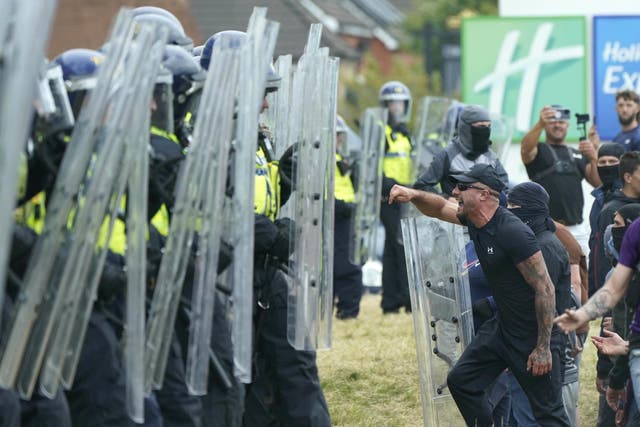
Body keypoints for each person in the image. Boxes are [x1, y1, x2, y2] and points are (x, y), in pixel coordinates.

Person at [389, 164, 570, 426]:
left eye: (462, 187)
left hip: (533, 335)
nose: (454, 191)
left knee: (547, 413)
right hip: (503, 326)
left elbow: (546, 289)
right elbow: (439, 208)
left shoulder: (513, 232)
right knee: (462, 381)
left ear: (484, 194)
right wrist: (414, 194)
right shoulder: (474, 220)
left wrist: (543, 348)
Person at [521, 104, 601, 254]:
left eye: (561, 122)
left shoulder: (576, 153)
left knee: (585, 274)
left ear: (568, 125)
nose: (557, 125)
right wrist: (539, 124)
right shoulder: (538, 150)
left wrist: (594, 156)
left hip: (577, 229)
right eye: (552, 121)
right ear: (545, 124)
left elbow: (597, 183)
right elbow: (525, 149)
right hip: (547, 229)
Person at [414, 104, 509, 196]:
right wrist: (444, 200)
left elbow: (505, 191)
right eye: (481, 127)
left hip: (483, 212)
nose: (486, 131)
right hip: (453, 211)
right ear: (466, 128)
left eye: (488, 126)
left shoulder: (491, 157)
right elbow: (421, 186)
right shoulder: (448, 154)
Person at [378, 80, 413, 314]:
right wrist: (388, 185)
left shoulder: (405, 134)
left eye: (401, 103)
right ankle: (408, 298)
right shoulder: (382, 131)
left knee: (392, 248)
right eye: (393, 102)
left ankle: (390, 301)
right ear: (385, 105)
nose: (397, 107)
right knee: (401, 245)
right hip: (389, 196)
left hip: (407, 195)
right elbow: (374, 164)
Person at [333, 115, 363, 319]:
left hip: (346, 214)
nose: (339, 140)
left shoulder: (339, 159)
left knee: (349, 262)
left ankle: (348, 308)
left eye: (340, 135)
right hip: (335, 213)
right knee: (345, 264)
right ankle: (346, 308)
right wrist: (341, 206)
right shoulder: (322, 159)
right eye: (335, 135)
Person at [588, 142, 626, 297]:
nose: (606, 166)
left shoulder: (627, 199)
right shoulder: (598, 199)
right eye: (602, 162)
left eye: (612, 161)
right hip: (597, 273)